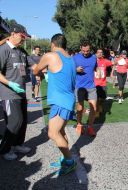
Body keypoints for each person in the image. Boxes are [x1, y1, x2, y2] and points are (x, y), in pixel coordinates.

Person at [33, 33, 77, 175]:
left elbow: (35, 70)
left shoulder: (51, 55)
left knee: (53, 133)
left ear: (53, 44)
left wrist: (38, 68)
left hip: (60, 102)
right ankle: (65, 159)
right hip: (67, 99)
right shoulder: (70, 58)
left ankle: (70, 161)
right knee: (61, 132)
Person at [0, 23, 31, 160]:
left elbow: (33, 66)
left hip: (21, 92)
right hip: (8, 93)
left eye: (25, 37)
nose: (23, 39)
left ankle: (18, 144)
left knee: (23, 120)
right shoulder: (3, 50)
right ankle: (5, 150)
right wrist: (10, 83)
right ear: (12, 34)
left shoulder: (21, 51)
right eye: (21, 36)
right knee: (14, 121)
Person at [73, 40, 97, 136]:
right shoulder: (75, 58)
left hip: (91, 86)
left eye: (87, 51)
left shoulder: (94, 58)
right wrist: (76, 69)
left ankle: (90, 127)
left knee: (93, 108)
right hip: (79, 87)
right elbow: (69, 70)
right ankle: (79, 124)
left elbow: (95, 68)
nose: (86, 53)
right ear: (80, 48)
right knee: (80, 108)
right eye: (84, 51)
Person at [94, 48, 114, 116]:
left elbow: (113, 63)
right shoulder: (93, 61)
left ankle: (100, 106)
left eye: (101, 52)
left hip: (103, 83)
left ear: (102, 54)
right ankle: (97, 112)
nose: (99, 53)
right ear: (96, 54)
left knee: (102, 98)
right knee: (96, 99)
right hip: (95, 84)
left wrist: (111, 73)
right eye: (98, 52)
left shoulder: (105, 61)